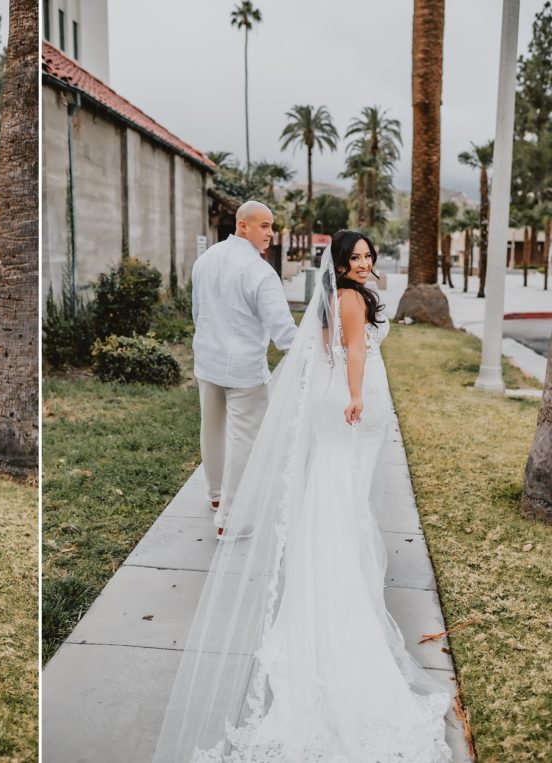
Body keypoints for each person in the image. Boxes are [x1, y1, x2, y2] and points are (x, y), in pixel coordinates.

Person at [154, 231, 452, 762]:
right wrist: (358, 396)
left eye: (367, 256)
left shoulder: (331, 299)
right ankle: (343, 590)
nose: (363, 263)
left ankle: (330, 577)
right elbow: (356, 350)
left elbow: (323, 351)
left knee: (334, 493)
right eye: (354, 257)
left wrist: (342, 390)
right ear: (339, 262)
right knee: (345, 496)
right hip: (351, 405)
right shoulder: (353, 299)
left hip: (332, 402)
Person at [191, 200, 297, 537]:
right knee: (245, 440)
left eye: (271, 226)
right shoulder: (260, 272)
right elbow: (283, 331)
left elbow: (198, 313)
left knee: (212, 429)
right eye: (264, 226)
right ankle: (231, 519)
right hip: (243, 369)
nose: (270, 233)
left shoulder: (205, 260)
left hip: (207, 360)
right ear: (242, 226)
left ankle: (216, 497)